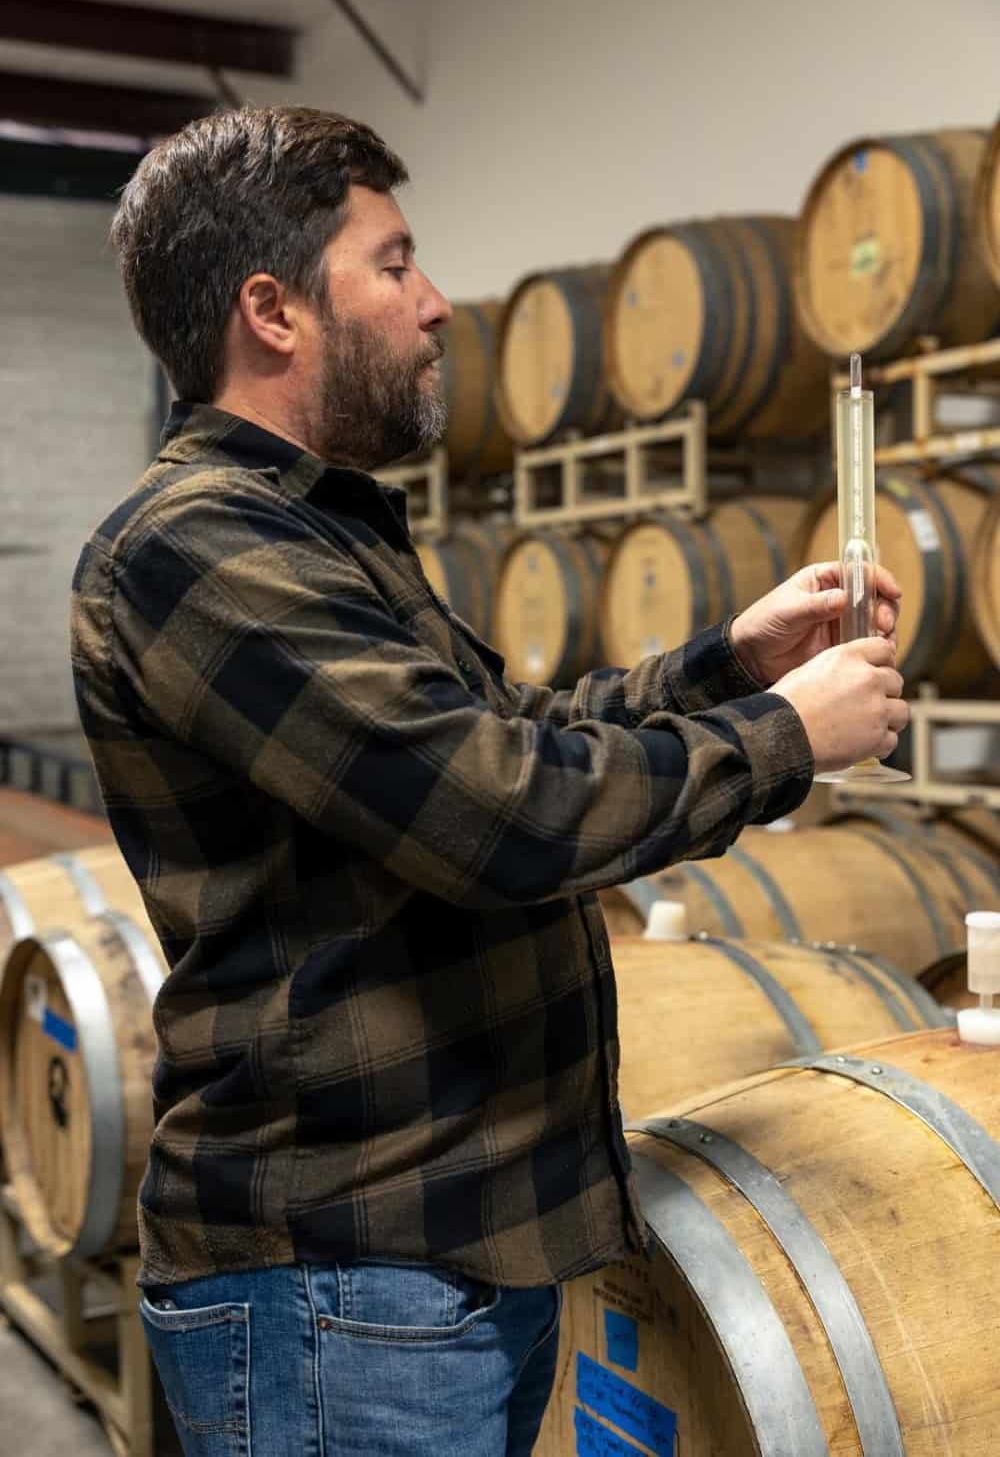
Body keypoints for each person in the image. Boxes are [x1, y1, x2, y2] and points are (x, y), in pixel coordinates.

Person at [70, 105, 906, 1457]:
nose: (439, 303)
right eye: (394, 265)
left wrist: (729, 663)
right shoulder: (193, 551)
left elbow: (510, 727)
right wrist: (784, 737)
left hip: (438, 1257)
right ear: (274, 310)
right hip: (338, 1271)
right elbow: (497, 813)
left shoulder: (318, 530)